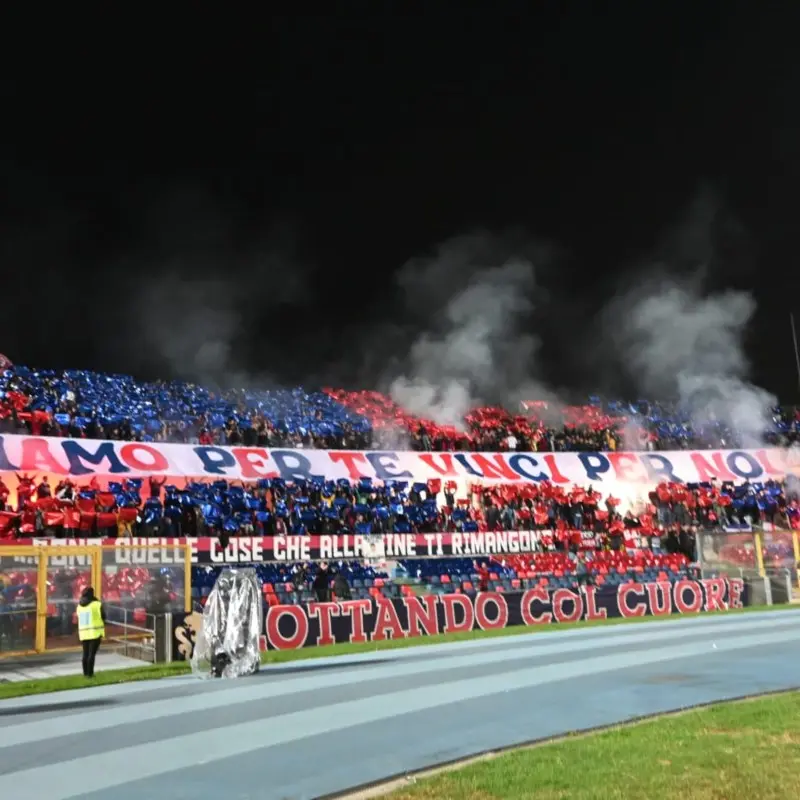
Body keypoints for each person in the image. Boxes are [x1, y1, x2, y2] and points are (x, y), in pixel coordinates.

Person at [77, 586, 106, 678]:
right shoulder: (97, 604)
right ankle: (90, 674)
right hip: (95, 632)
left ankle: (85, 673)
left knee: (85, 654)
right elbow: (103, 616)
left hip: (84, 633)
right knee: (91, 654)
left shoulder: (79, 606)